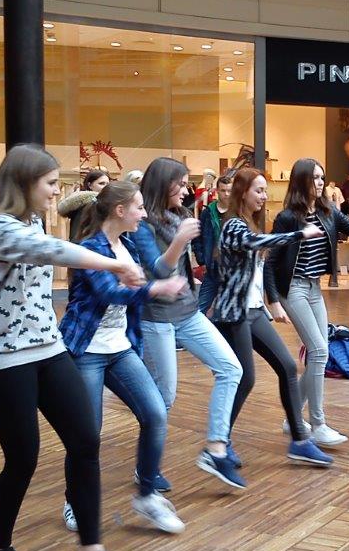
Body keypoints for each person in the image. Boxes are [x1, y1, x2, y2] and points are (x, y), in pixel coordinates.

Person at [0, 143, 144, 551]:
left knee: (85, 441)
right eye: (52, 183)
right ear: (25, 183)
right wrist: (114, 265)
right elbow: (53, 252)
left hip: (47, 348)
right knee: (23, 458)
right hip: (1, 358)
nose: (58, 192)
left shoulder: (32, 220)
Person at [59, 181, 189, 534]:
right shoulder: (90, 249)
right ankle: (74, 501)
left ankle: (147, 495)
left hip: (120, 349)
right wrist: (155, 289)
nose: (143, 214)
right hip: (87, 351)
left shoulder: (127, 245)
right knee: (88, 435)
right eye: (139, 207)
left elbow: (142, 280)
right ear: (120, 210)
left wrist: (155, 279)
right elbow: (108, 293)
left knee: (155, 414)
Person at [132, 157, 245, 490]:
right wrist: (180, 240)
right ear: (162, 184)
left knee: (231, 369)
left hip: (187, 311)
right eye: (180, 184)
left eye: (186, 184)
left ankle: (216, 448)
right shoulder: (143, 223)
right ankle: (146, 468)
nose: (186, 190)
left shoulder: (180, 215)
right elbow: (158, 270)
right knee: (163, 398)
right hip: (157, 318)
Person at [267, 158, 349, 446]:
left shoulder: (328, 213)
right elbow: (271, 261)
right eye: (315, 177)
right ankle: (317, 424)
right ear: (301, 180)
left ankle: (292, 418)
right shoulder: (287, 218)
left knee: (321, 353)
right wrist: (273, 301)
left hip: (314, 288)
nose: (320, 182)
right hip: (294, 289)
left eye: (322, 177)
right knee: (318, 351)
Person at [212, 167, 334, 468]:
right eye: (259, 191)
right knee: (245, 379)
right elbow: (257, 243)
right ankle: (219, 443)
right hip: (235, 314)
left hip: (254, 312)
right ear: (243, 193)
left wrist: (271, 302)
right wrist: (298, 234)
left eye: (265, 191)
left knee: (288, 366)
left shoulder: (249, 223)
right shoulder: (233, 225)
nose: (264, 196)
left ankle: (300, 441)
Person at [195, 174, 232, 314]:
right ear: (217, 191)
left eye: (229, 191)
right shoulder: (208, 213)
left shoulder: (237, 213)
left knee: (228, 309)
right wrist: (202, 261)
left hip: (231, 269)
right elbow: (198, 237)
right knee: (200, 307)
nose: (226, 194)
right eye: (223, 190)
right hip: (212, 267)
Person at [58, 168, 110, 241]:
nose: (105, 187)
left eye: (107, 184)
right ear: (90, 185)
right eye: (101, 183)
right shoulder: (88, 204)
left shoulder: (101, 203)